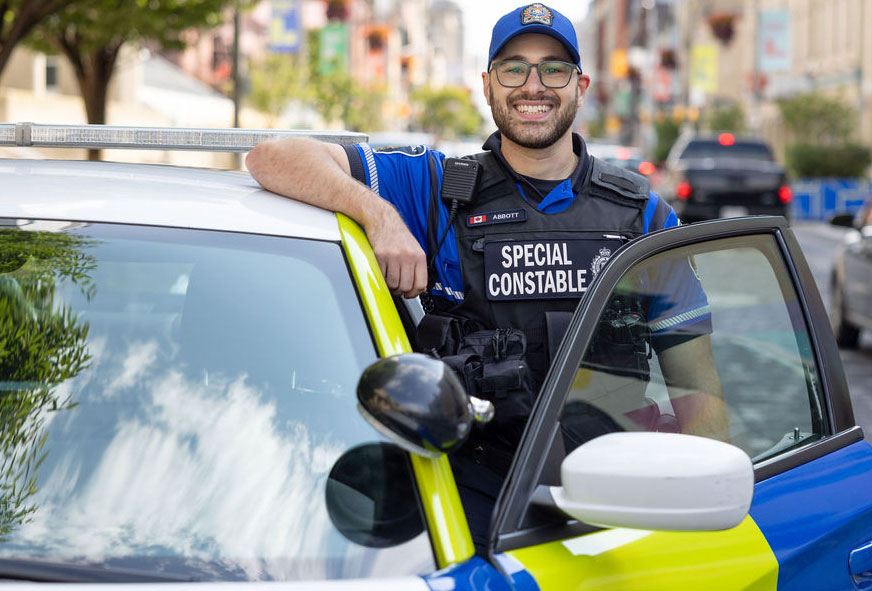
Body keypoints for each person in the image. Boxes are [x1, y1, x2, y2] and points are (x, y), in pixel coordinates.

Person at [247, 2, 728, 553]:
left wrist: (708, 524)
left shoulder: (644, 216)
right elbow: (273, 158)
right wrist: (380, 217)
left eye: (553, 69)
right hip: (466, 505)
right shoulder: (435, 188)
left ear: (580, 87)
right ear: (487, 85)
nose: (533, 85)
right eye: (513, 68)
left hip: (612, 508)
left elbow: (700, 395)